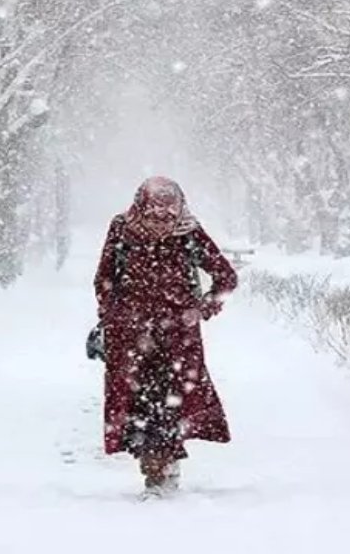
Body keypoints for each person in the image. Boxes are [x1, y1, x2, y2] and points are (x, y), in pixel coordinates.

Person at [93, 176, 238, 497]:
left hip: (168, 339)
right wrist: (113, 316)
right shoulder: (123, 229)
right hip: (142, 337)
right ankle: (157, 468)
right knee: (145, 405)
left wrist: (204, 308)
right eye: (155, 208)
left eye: (166, 209)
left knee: (160, 404)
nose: (161, 216)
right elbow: (104, 279)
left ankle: (160, 470)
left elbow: (226, 276)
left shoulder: (186, 232)